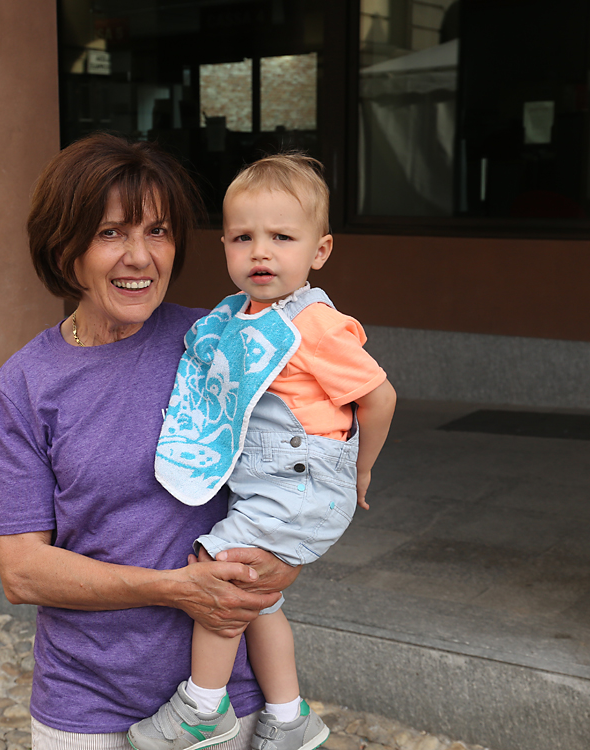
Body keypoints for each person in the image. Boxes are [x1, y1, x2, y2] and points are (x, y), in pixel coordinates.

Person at [0, 133, 302, 750]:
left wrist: (283, 561)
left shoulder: (219, 342)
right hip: (87, 702)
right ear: (64, 247)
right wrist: (175, 589)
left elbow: (298, 466)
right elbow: (22, 571)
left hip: (224, 700)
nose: (140, 257)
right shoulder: (23, 385)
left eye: (156, 232)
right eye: (111, 234)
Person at [133, 154, 398, 750]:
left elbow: (379, 398)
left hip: (301, 481)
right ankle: (288, 716)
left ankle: (203, 708)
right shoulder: (239, 318)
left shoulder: (313, 324)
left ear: (320, 250)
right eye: (243, 237)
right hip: (273, 483)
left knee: (216, 577)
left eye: (282, 237)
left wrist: (361, 467)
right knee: (260, 600)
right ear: (224, 245)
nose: (261, 252)